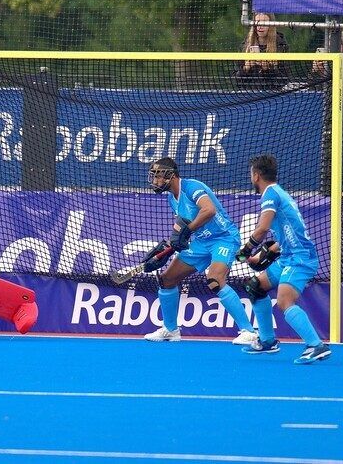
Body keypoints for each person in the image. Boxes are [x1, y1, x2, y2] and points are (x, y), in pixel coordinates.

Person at [142, 157, 257, 344]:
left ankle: (249, 331)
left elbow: (208, 210)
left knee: (215, 279)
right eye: (153, 177)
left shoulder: (191, 187)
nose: (155, 181)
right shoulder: (172, 198)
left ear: (170, 176)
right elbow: (182, 226)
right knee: (166, 279)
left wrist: (187, 232)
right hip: (201, 243)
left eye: (158, 176)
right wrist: (171, 247)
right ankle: (171, 330)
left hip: (224, 238)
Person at [237, 155, 331, 364]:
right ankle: (268, 341)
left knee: (284, 301)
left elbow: (262, 229)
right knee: (256, 286)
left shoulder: (270, 195)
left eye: (251, 174)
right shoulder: (280, 193)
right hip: (290, 256)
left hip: (300, 258)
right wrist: (260, 255)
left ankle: (316, 345)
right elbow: (287, 234)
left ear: (256, 175)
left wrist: (245, 250)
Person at [235, 12, 290, 89]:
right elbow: (237, 81)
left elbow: (284, 80)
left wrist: (267, 69)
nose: (260, 26)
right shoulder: (245, 45)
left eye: (264, 23)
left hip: (273, 95)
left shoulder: (281, 46)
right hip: (249, 94)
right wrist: (246, 68)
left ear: (271, 25)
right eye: (257, 22)